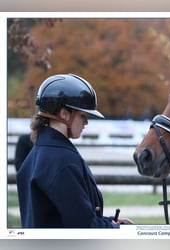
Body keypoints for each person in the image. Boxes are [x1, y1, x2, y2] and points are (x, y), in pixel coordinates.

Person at [16, 74, 133, 228]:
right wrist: (121, 229)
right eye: (82, 115)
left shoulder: (39, 153)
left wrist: (108, 222)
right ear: (64, 114)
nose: (86, 122)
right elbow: (84, 227)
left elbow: (64, 215)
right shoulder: (61, 159)